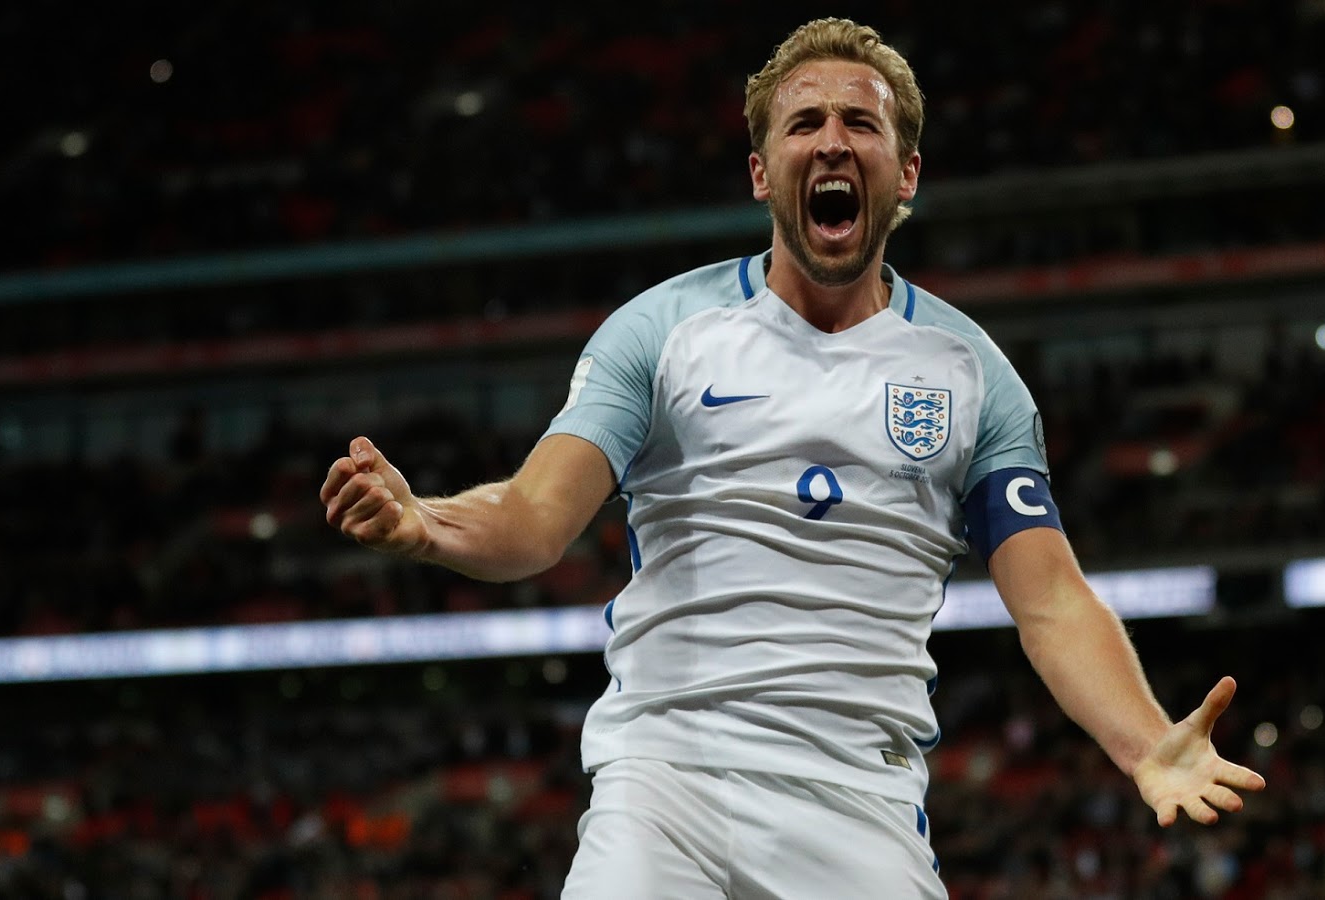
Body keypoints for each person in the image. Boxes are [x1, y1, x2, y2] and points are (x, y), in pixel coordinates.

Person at [321, 17, 1264, 898]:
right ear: (762, 174)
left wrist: (1145, 745)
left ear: (907, 173)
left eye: (861, 122)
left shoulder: (972, 375)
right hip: (667, 779)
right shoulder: (661, 333)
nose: (832, 141)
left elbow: (1051, 600)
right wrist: (425, 523)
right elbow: (534, 518)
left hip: (860, 798)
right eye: (805, 122)